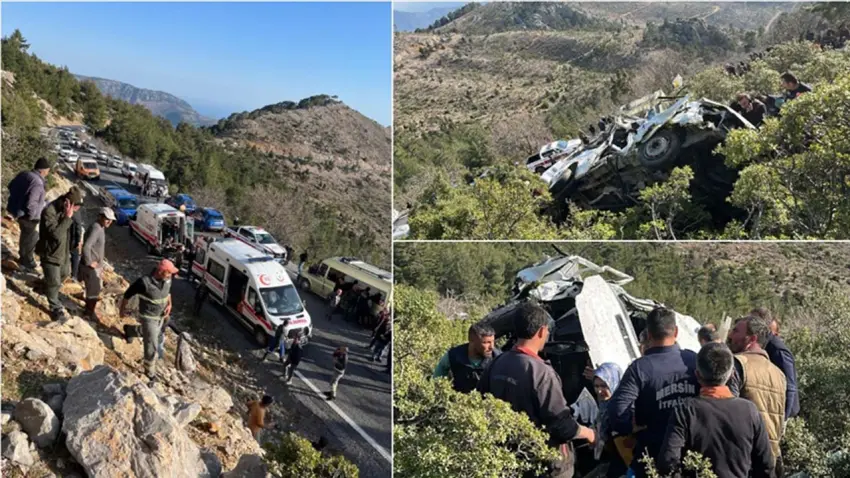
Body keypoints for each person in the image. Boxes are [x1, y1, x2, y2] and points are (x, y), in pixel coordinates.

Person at [477, 302, 595, 478]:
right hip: (544, 466)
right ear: (541, 331)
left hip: (508, 460)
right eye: (547, 330)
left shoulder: (496, 363)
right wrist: (588, 433)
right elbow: (562, 426)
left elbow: (480, 403)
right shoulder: (542, 373)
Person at [657, 342, 774, 478]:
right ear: (731, 375)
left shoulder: (687, 410)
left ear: (697, 375)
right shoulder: (749, 411)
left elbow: (668, 462)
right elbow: (766, 466)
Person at [608, 307, 699, 478]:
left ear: (648, 334)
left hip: (651, 455)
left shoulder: (640, 367)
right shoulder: (692, 361)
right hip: (689, 455)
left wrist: (630, 427)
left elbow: (617, 411)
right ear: (676, 332)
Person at [727, 315, 787, 476]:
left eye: (736, 331)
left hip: (745, 459)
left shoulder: (738, 364)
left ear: (752, 339)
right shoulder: (778, 374)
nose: (731, 335)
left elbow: (728, 413)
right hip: (770, 458)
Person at [120, 259, 179, 380]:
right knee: (151, 342)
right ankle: (149, 371)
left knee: (151, 333)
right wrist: (122, 310)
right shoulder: (143, 283)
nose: (172, 275)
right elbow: (127, 295)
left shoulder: (167, 279)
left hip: (161, 315)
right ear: (162, 272)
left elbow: (168, 292)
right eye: (170, 273)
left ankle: (130, 330)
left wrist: (170, 304)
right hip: (148, 316)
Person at [37, 187, 84, 320]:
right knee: (54, 282)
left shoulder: (68, 211)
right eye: (76, 207)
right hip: (49, 252)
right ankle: (55, 306)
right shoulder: (49, 212)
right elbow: (56, 235)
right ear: (67, 203)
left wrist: (75, 244)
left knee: (64, 273)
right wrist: (67, 218)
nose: (77, 210)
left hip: (63, 252)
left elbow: (72, 230)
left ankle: (46, 286)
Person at [749, 307, 800, 422]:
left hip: (779, 414)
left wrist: (782, 420)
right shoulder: (762, 344)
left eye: (752, 320)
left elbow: (790, 387)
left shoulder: (777, 350)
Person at [6, 157, 51, 271]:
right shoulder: (37, 183)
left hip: (17, 211)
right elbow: (31, 203)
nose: (48, 173)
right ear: (43, 170)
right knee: (31, 238)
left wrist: (18, 200)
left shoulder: (24, 174)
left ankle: (24, 257)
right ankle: (26, 261)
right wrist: (32, 216)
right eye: (47, 170)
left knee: (25, 235)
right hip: (28, 216)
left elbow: (10, 186)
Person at [433, 323, 501, 393]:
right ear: (471, 341)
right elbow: (436, 380)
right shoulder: (453, 355)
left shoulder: (499, 359)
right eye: (486, 342)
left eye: (492, 341)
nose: (491, 347)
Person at [592, 363, 629, 478]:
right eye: (596, 386)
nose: (599, 391)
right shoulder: (604, 407)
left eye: (604, 386)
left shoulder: (621, 410)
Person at [80, 207, 115, 321]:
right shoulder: (97, 229)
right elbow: (86, 246)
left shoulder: (99, 227)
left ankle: (89, 311)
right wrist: (89, 262)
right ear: (100, 216)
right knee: (94, 291)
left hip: (94, 264)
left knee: (92, 289)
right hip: (91, 267)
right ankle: (88, 314)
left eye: (111, 220)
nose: (109, 222)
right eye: (107, 219)